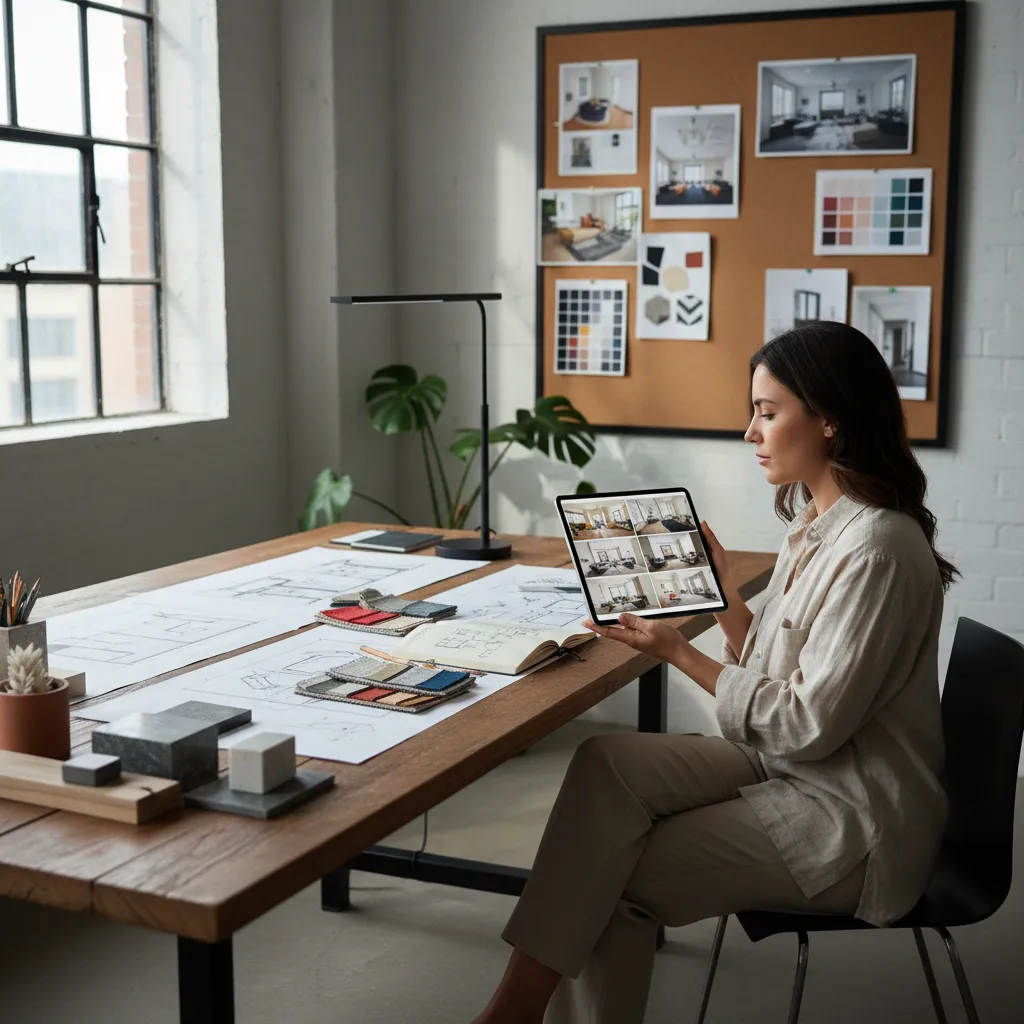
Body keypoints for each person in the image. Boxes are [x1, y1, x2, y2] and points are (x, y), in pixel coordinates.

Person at [472, 321, 956, 1024]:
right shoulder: (818, 524)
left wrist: (680, 652)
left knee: (610, 877)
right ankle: (514, 1011)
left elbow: (807, 723)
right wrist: (726, 597)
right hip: (793, 767)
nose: (751, 432)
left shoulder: (877, 548)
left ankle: (511, 1013)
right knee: (605, 762)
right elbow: (784, 673)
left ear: (828, 419)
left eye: (767, 411)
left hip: (850, 815)